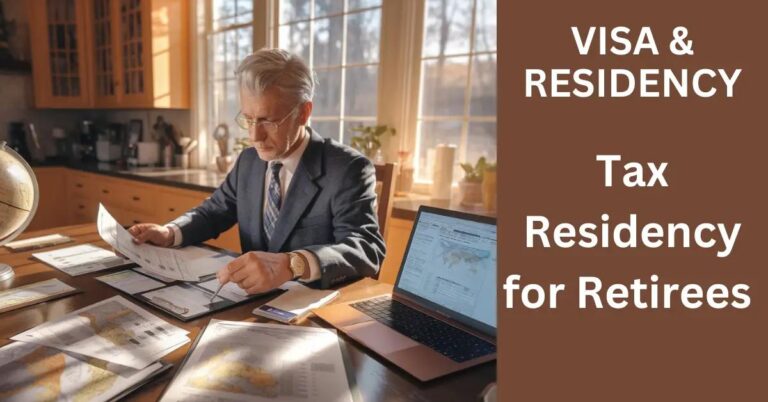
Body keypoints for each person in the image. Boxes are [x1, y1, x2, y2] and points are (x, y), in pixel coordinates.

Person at [127, 48, 386, 292]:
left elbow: (367, 248)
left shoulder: (348, 169)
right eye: (248, 119)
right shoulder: (249, 161)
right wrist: (169, 232)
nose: (254, 135)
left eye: (268, 120)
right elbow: (213, 212)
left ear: (304, 112)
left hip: (315, 314)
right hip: (250, 306)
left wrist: (293, 264)